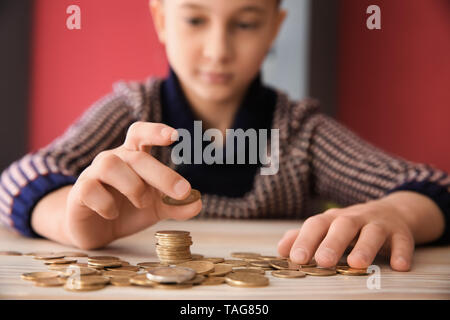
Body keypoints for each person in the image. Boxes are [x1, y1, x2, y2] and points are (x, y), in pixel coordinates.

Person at [0, 0, 448, 273]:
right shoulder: (131, 112)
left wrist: (396, 213)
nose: (218, 49)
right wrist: (73, 222)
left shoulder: (302, 133)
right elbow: (19, 179)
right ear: (160, 19)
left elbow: (434, 187)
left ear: (275, 26)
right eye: (195, 20)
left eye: (246, 23)